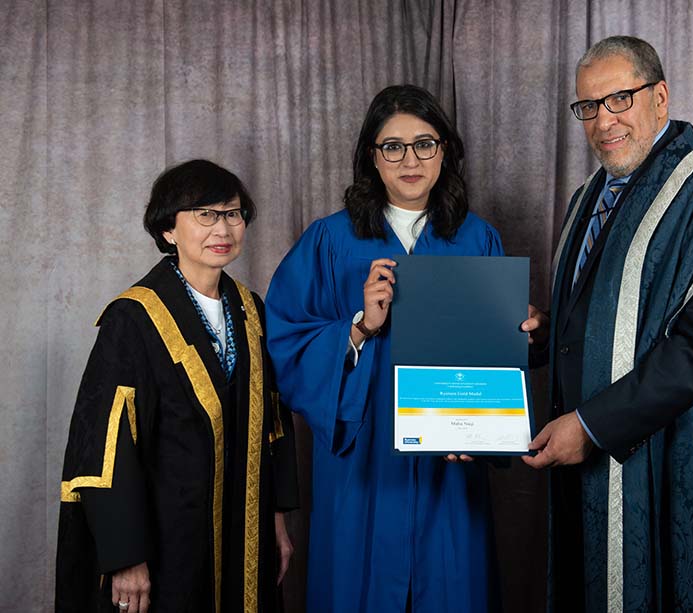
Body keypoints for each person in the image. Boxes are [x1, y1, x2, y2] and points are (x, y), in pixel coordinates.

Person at [521, 36, 693, 611]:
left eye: (620, 99)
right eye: (589, 106)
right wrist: (548, 334)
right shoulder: (588, 200)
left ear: (660, 97)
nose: (603, 121)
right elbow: (601, 323)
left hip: (675, 464)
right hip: (589, 462)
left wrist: (591, 427)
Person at [265, 84, 503, 612]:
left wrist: (486, 418)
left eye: (425, 143)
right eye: (392, 146)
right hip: (364, 469)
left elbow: (491, 363)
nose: (410, 159)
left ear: (446, 150)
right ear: (372, 157)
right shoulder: (330, 240)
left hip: (450, 466)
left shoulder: (477, 239)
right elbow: (284, 343)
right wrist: (357, 328)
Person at [56, 160, 299, 612]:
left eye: (232, 213)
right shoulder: (132, 319)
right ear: (169, 230)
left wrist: (277, 524)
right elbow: (105, 448)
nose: (221, 227)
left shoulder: (251, 311)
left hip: (244, 528)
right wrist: (125, 556)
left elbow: (273, 422)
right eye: (203, 214)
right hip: (168, 537)